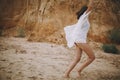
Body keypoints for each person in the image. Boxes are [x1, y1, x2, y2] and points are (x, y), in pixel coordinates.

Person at [64, 0, 95, 78]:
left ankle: (66, 74)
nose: (90, 11)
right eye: (88, 10)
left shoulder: (82, 18)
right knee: (92, 57)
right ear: (86, 11)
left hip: (77, 40)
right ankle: (79, 70)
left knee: (77, 58)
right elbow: (91, 7)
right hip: (80, 40)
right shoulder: (84, 17)